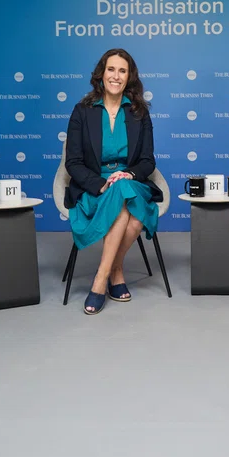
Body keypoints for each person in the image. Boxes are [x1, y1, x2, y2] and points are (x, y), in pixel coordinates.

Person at [64, 48, 161, 315]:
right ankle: (115, 273)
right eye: (111, 69)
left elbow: (147, 161)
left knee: (124, 190)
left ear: (129, 77)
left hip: (130, 181)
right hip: (93, 186)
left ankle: (101, 276)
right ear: (101, 74)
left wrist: (128, 174)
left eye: (122, 71)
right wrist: (99, 184)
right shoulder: (82, 111)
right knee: (135, 217)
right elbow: (73, 162)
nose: (116, 76)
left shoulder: (139, 112)